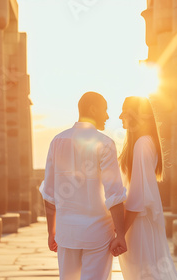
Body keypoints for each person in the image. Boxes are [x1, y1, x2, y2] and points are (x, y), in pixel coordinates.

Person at [39, 91, 128, 280]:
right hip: (97, 233)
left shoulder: (57, 141)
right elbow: (114, 193)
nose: (107, 116)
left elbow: (49, 194)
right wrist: (120, 234)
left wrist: (51, 232)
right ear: (93, 109)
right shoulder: (105, 143)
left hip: (66, 233)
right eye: (105, 110)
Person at [116, 96, 177, 280]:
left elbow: (138, 196)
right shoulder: (142, 143)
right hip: (138, 220)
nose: (120, 116)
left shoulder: (142, 144)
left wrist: (121, 231)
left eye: (124, 111)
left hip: (138, 222)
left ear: (137, 115)